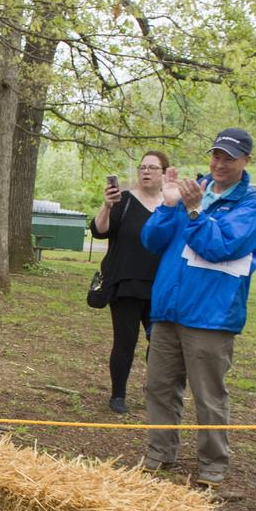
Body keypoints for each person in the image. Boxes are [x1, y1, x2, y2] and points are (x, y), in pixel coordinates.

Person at [140, 128, 256, 489]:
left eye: (229, 158)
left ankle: (213, 463)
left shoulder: (251, 206)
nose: (220, 164)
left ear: (246, 161)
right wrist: (167, 206)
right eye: (216, 155)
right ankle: (159, 452)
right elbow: (152, 241)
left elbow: (221, 247)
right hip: (169, 309)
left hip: (211, 316)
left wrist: (194, 211)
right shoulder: (188, 191)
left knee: (208, 394)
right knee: (159, 386)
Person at [89, 151, 169, 414]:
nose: (146, 172)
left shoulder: (170, 204)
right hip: (125, 283)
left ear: (164, 173)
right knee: (125, 341)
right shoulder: (124, 201)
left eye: (152, 168)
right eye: (142, 167)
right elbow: (99, 231)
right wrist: (107, 205)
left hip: (160, 287)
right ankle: (118, 395)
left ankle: (155, 393)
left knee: (159, 343)